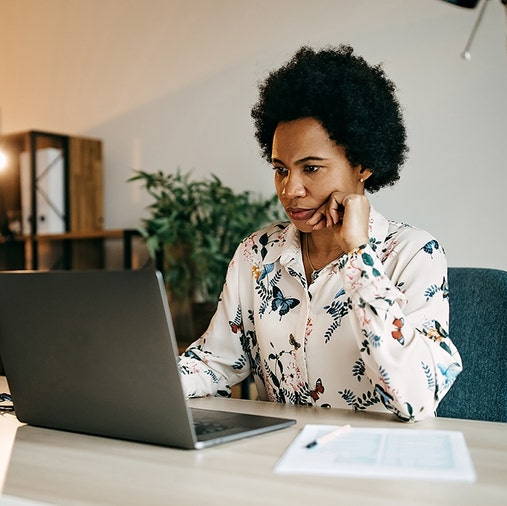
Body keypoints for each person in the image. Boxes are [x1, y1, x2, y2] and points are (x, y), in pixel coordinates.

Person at [177, 45, 462, 422]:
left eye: (310, 168)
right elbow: (216, 361)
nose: (289, 189)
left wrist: (359, 254)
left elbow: (416, 397)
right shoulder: (257, 253)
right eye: (280, 169)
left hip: (377, 466)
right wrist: (139, 378)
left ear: (363, 165)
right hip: (277, 459)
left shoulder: (413, 254)